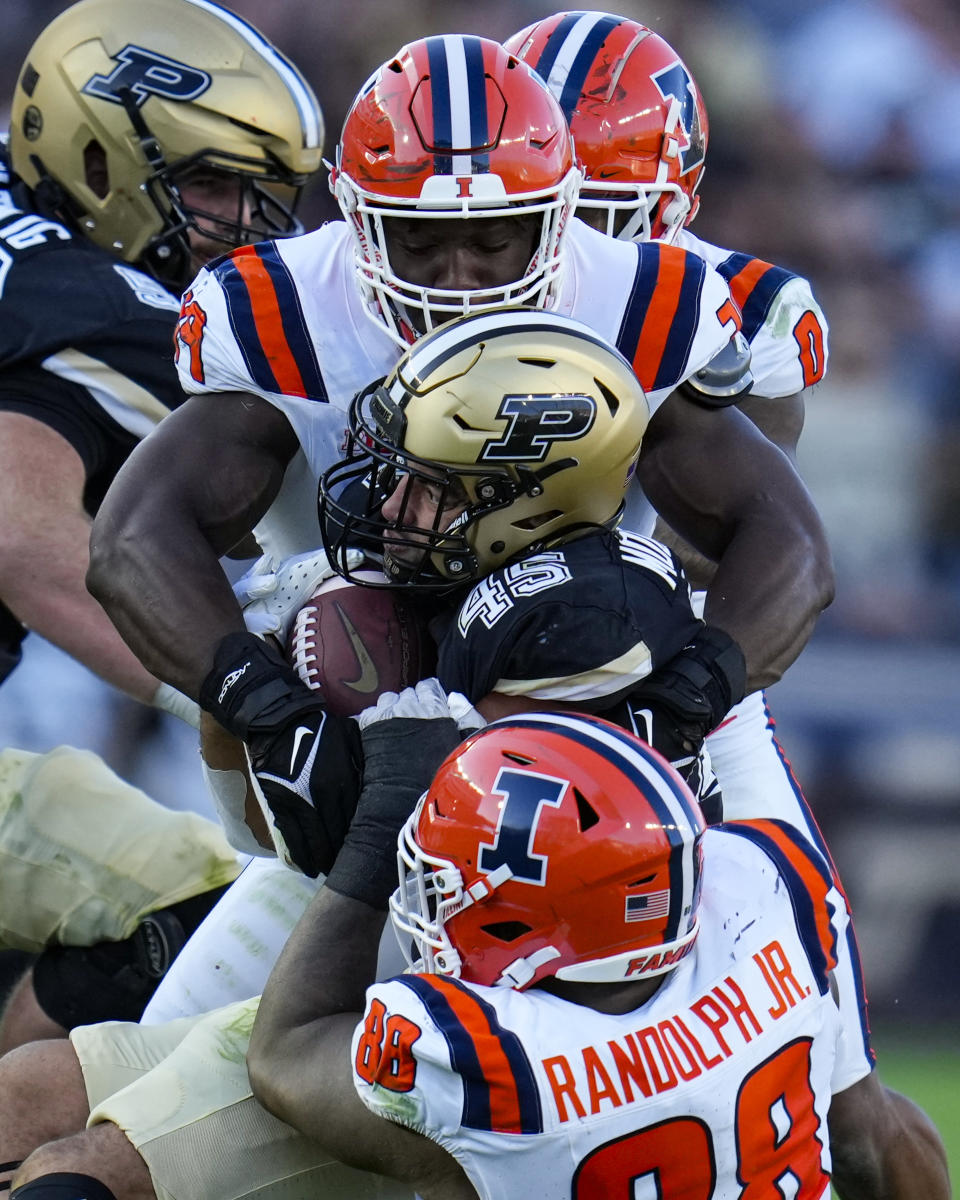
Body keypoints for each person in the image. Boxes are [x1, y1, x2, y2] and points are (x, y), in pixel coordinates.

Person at [1, 311, 944, 1200]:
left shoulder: (590, 638)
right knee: (33, 1094)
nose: (388, 499)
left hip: (478, 1001)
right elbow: (862, 1121)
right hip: (555, 989)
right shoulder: (760, 876)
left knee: (100, 1164)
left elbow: (295, 1047)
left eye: (428, 484)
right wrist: (266, 716)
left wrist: (365, 785)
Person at [85, 32, 833, 886]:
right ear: (358, 218)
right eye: (422, 240)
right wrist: (267, 711)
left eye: (495, 239)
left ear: (558, 215)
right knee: (266, 1010)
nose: (460, 275)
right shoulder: (289, 308)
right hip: (368, 709)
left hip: (613, 693)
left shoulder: (639, 296)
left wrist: (688, 701)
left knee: (783, 955)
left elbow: (792, 545)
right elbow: (133, 539)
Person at [249, 713, 951, 1200]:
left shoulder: (493, 1062)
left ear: (542, 925)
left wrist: (377, 832)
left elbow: (286, 1052)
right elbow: (871, 1138)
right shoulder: (770, 887)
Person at [0, 0, 324, 1053]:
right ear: (98, 163)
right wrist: (238, 701)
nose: (243, 220)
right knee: (178, 905)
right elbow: (28, 541)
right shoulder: (107, 306)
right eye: (212, 185)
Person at [503, 10, 830, 826]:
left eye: (595, 213)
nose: (565, 242)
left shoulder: (741, 308)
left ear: (673, 204)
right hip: (450, 662)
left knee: (785, 920)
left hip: (664, 666)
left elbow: (724, 542)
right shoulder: (435, 274)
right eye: (543, 207)